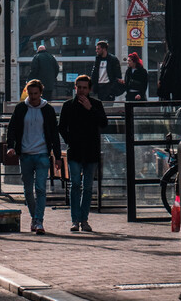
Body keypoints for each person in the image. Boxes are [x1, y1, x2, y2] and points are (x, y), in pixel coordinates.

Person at [6, 79, 61, 235]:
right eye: (30, 94)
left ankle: (38, 220)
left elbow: (54, 134)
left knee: (41, 189)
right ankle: (34, 217)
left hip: (42, 153)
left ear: (40, 93)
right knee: (28, 190)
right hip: (25, 154)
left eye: (36, 94)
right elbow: (12, 128)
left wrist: (57, 156)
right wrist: (11, 146)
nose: (33, 97)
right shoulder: (21, 108)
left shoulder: (47, 110)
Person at [58, 75, 108, 232]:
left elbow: (103, 123)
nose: (81, 90)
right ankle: (75, 220)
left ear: (90, 89)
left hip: (91, 151)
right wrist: (69, 141)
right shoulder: (68, 106)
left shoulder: (96, 104)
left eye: (84, 88)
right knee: (75, 185)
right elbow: (61, 127)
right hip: (75, 151)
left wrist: (90, 109)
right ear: (75, 88)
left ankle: (83, 219)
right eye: (79, 87)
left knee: (87, 187)